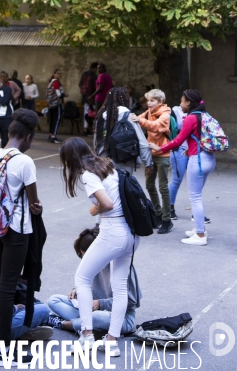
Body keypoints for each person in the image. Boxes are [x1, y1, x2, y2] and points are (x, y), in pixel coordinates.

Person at [60, 137, 138, 357]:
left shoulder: (87, 174)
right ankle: (111, 341)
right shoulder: (107, 165)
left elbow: (107, 204)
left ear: (70, 159)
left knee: (82, 279)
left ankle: (87, 336)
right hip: (130, 233)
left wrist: (95, 210)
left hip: (113, 231)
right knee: (120, 285)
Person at [0, 108, 42, 367]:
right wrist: (38, 208)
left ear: (10, 132)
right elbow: (35, 204)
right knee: (8, 286)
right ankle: (4, 346)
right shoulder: (24, 162)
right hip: (17, 230)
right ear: (28, 137)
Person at [149, 90, 216, 246]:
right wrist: (191, 148)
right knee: (198, 195)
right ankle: (200, 229)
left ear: (189, 103)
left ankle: (200, 235)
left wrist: (160, 148)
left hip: (197, 161)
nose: (180, 105)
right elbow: (199, 138)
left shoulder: (191, 118)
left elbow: (178, 140)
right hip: (209, 159)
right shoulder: (205, 115)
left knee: (195, 197)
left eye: (182, 101)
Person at [47, 228, 141, 335]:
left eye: (87, 256)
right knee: (54, 300)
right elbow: (86, 286)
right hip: (92, 309)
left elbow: (131, 301)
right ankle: (89, 325)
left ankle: (63, 324)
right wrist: (77, 290)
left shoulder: (120, 265)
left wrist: (100, 303)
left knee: (95, 317)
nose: (85, 259)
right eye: (83, 255)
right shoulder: (90, 265)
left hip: (120, 318)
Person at [130, 89, 173, 234]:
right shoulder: (148, 113)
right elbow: (137, 119)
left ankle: (167, 219)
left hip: (163, 155)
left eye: (152, 100)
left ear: (160, 102)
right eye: (148, 100)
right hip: (151, 154)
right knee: (149, 185)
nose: (149, 103)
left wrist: (139, 120)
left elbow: (155, 126)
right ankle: (158, 213)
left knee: (163, 187)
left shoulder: (165, 114)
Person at [94, 87, 153, 175]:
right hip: (125, 159)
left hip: (104, 160)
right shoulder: (128, 116)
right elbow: (142, 142)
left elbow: (96, 140)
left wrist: (97, 157)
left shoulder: (101, 117)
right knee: (123, 186)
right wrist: (148, 163)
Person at [168, 105, 189, 221]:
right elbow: (173, 129)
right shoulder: (175, 110)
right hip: (179, 149)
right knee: (177, 179)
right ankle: (169, 208)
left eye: (183, 101)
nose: (181, 104)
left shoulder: (199, 113)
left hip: (194, 150)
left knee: (195, 182)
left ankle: (196, 212)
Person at [47, 68, 67, 144]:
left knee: (52, 120)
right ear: (54, 74)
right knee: (57, 119)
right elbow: (58, 94)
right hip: (56, 104)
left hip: (50, 104)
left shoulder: (50, 83)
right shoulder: (56, 82)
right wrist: (64, 94)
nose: (59, 75)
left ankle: (50, 135)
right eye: (58, 73)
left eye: (60, 74)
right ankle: (53, 136)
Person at [78, 63, 98, 136]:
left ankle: (85, 129)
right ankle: (93, 129)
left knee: (86, 113)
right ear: (94, 68)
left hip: (84, 97)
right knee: (93, 113)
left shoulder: (84, 74)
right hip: (92, 97)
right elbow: (96, 87)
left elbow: (80, 84)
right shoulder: (94, 76)